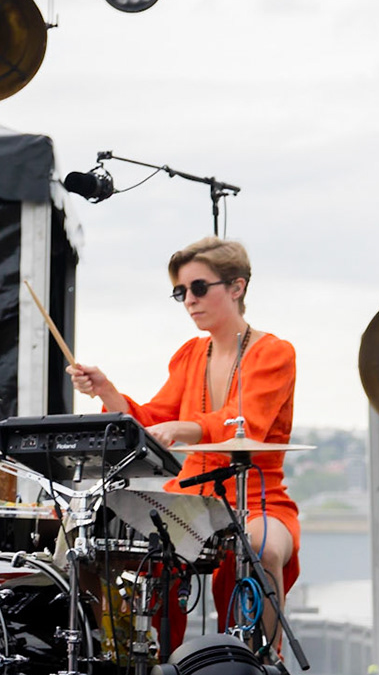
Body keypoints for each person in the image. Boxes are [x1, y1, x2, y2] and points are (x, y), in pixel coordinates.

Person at [67, 236, 298, 643]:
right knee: (106, 538)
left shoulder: (274, 353)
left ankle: (260, 667)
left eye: (198, 287)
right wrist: (106, 391)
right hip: (189, 497)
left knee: (263, 550)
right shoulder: (189, 354)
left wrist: (184, 428)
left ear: (237, 287)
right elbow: (154, 418)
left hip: (257, 498)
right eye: (181, 292)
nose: (189, 299)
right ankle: (150, 663)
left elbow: (249, 425)